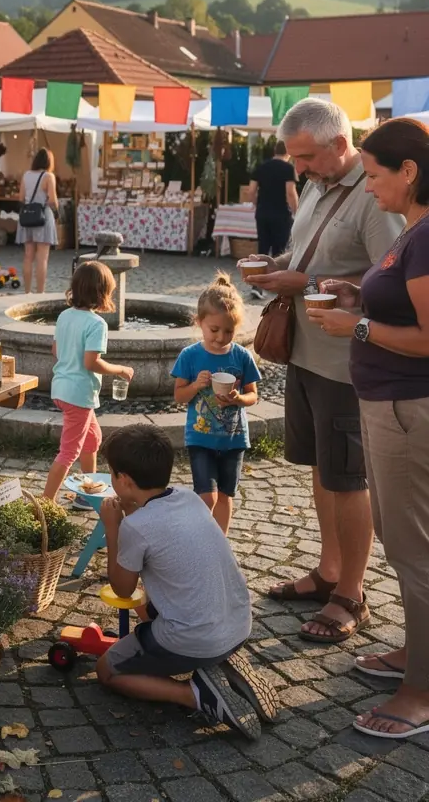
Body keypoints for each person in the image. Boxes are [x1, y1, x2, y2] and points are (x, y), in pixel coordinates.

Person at [242, 98, 403, 644]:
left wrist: (304, 283)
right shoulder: (316, 181)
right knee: (320, 469)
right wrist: (278, 267)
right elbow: (307, 253)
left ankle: (351, 593)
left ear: (339, 143)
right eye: (295, 157)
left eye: (307, 156)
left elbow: (389, 282)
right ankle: (329, 570)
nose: (299, 168)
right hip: (306, 354)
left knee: (347, 480)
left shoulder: (376, 194)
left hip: (346, 363)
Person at [307, 117, 429, 739]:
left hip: (407, 410)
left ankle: (421, 691)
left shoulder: (425, 236)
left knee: (413, 548)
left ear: (409, 172)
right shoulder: (412, 230)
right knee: (403, 538)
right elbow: (401, 302)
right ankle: (416, 653)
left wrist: (354, 325)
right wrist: (356, 294)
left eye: (376, 175)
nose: (369, 186)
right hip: (390, 405)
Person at [95, 424, 276, 738]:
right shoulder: (189, 498)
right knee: (158, 598)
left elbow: (123, 589)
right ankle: (222, 660)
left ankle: (196, 695)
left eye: (111, 473)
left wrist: (113, 528)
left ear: (124, 480)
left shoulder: (135, 527)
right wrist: (131, 507)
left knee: (106, 671)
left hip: (194, 639)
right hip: (237, 624)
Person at [171, 275, 260, 534]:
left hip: (234, 439)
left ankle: (220, 543)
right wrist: (196, 386)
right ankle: (200, 539)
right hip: (200, 438)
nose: (221, 337)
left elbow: (253, 395)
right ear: (199, 322)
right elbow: (179, 396)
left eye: (229, 331)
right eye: (214, 330)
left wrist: (238, 399)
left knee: (224, 496)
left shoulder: (242, 356)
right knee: (206, 496)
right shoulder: (190, 356)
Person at [43, 261, 133, 500]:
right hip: (78, 394)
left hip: (61, 388)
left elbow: (56, 350)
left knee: (92, 439)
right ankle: (44, 503)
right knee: (69, 452)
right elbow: (91, 363)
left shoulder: (64, 316)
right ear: (102, 293)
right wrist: (120, 370)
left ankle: (87, 493)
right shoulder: (96, 323)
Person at [16, 148, 59, 294]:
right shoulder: (48, 176)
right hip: (43, 216)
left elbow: (21, 198)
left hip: (28, 216)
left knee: (28, 256)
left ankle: (27, 291)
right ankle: (40, 292)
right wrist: (57, 211)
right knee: (42, 258)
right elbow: (52, 200)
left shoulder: (26, 175)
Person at [248, 140, 299, 257]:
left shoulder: (261, 166)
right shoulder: (288, 168)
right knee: (279, 251)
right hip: (281, 214)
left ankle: (260, 268)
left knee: (263, 248)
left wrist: (257, 204)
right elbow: (290, 193)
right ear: (288, 152)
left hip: (263, 213)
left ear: (274, 151)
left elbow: (251, 191)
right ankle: (276, 269)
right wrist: (296, 211)